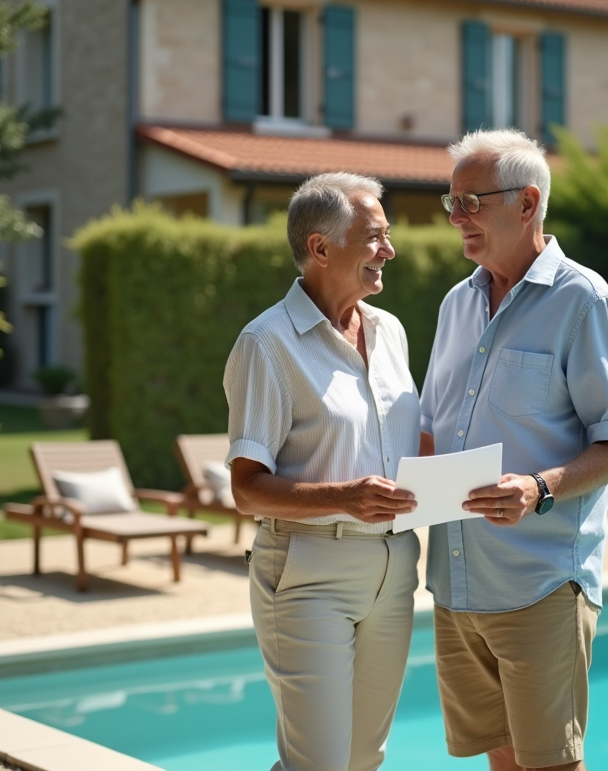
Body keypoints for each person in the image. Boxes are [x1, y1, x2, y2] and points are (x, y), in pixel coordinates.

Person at [419, 129, 608, 771]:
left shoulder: (584, 300)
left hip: (541, 582)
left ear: (528, 203)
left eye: (473, 202)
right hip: (458, 581)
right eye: (452, 202)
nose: (458, 218)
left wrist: (538, 488)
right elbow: (434, 432)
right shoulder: (454, 305)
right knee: (503, 757)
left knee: (550, 762)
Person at [224, 172, 421, 771]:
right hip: (308, 574)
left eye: (387, 236)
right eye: (374, 237)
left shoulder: (390, 332)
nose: (388, 250)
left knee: (365, 757)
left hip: (395, 570)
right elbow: (246, 488)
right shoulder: (268, 343)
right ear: (320, 247)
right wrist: (346, 496)